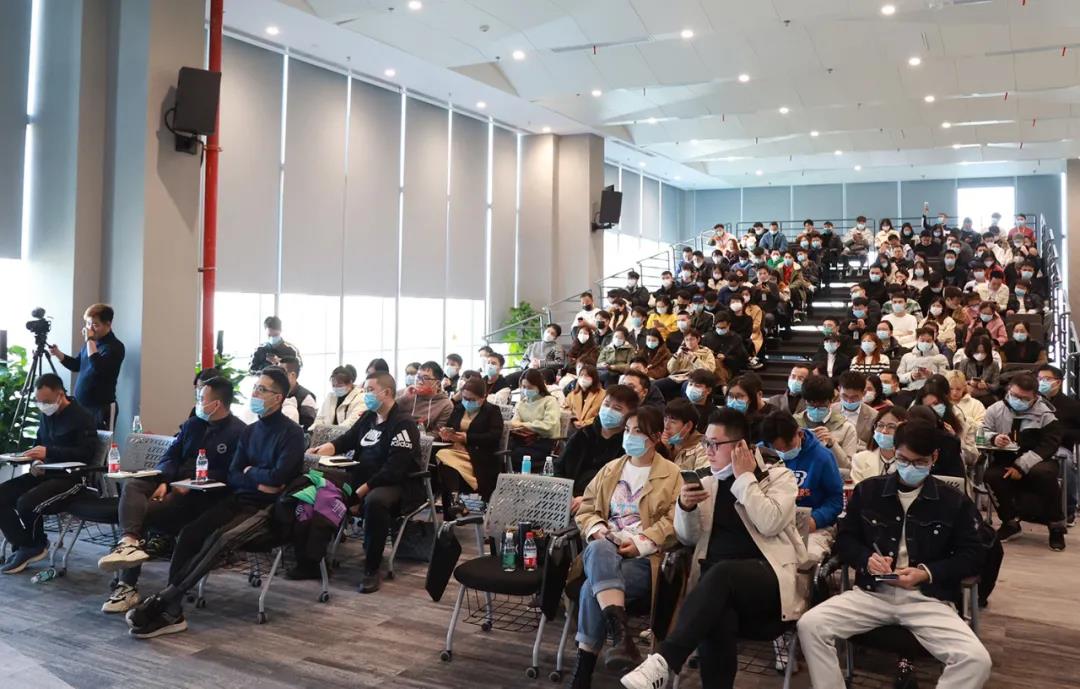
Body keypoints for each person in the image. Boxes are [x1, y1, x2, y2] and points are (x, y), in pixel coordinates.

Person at [620, 408, 809, 689]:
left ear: (741, 446)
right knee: (718, 610)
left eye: (714, 444)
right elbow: (688, 538)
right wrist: (685, 508)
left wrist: (744, 479)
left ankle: (665, 660)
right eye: (705, 443)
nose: (707, 450)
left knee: (721, 575)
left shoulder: (778, 477)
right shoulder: (706, 480)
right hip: (715, 588)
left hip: (767, 580)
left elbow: (770, 523)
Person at [797, 419, 992, 689]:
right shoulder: (869, 491)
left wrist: (925, 573)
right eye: (903, 459)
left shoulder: (953, 501)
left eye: (919, 462)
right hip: (873, 593)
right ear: (893, 453)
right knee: (810, 625)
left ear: (934, 457)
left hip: (926, 598)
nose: (910, 467)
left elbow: (972, 556)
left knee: (976, 660)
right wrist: (866, 559)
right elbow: (846, 540)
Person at [125, 368, 305, 636]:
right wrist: (256, 477)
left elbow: (279, 479)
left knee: (221, 539)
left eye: (262, 389)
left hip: (267, 509)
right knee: (190, 533)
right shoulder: (251, 431)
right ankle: (172, 609)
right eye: (255, 388)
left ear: (278, 398)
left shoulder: (292, 434)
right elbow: (234, 474)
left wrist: (249, 473)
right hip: (239, 499)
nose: (255, 393)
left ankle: (165, 602)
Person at [96, 377, 246, 612]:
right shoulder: (192, 425)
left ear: (216, 404)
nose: (198, 402)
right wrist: (166, 481)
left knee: (141, 514)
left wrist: (189, 482)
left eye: (201, 398)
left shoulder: (239, 432)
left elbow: (231, 473)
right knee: (134, 485)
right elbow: (170, 456)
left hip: (201, 496)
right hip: (173, 483)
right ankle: (129, 542)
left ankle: (131, 587)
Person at [565, 407, 680, 686]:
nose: (629, 436)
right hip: (605, 550)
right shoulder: (611, 469)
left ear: (655, 437)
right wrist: (599, 529)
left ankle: (584, 669)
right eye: (627, 430)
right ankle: (621, 637)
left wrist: (640, 543)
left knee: (592, 588)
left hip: (644, 559)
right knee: (599, 547)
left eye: (637, 431)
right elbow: (588, 508)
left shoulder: (672, 474)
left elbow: (674, 521)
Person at [312, 371, 421, 591]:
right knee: (318, 486)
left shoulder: (403, 424)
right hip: (362, 477)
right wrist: (323, 449)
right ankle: (313, 559)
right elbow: (347, 440)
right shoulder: (368, 417)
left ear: (387, 392)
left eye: (370, 390)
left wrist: (361, 491)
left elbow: (394, 469)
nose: (366, 394)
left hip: (396, 484)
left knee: (375, 501)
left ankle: (372, 569)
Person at [0, 374, 97, 574]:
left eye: (46, 401)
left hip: (70, 478)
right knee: (2, 494)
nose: (42, 406)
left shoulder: (82, 418)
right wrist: (35, 460)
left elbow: (86, 454)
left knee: (26, 503)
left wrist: (49, 452)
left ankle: (33, 545)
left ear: (60, 395)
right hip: (45, 473)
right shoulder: (46, 415)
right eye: (39, 401)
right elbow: (40, 443)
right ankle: (27, 544)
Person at [981, 374, 1066, 551]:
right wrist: (994, 438)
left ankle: (1056, 526)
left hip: (1037, 459)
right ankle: (1010, 522)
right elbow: (982, 433)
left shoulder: (1046, 414)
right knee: (992, 476)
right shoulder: (995, 409)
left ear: (1035, 397)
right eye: (1014, 395)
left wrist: (1021, 466)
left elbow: (1049, 445)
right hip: (1005, 458)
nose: (1017, 400)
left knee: (1044, 474)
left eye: (1024, 398)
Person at [760, 410, 843, 562]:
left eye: (788, 446)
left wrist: (816, 519)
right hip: (770, 522)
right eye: (778, 448)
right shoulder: (760, 454)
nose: (784, 452)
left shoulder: (822, 456)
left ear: (799, 434)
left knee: (806, 557)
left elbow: (835, 500)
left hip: (812, 524)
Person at [557, 385, 639, 507]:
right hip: (569, 498)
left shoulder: (629, 445)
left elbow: (625, 486)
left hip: (603, 504)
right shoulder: (583, 434)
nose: (609, 411)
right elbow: (559, 467)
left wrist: (589, 499)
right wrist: (565, 493)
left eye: (617, 408)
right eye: (606, 404)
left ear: (630, 414)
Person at [48, 303, 126, 430]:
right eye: (88, 324)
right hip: (81, 406)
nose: (90, 329)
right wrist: (58, 354)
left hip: (101, 407)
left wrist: (89, 340)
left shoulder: (115, 347)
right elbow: (77, 365)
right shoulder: (90, 344)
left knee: (101, 442)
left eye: (95, 325)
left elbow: (97, 367)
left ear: (108, 324)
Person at [434, 377, 504, 517]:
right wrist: (446, 434)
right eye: (465, 398)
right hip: (455, 452)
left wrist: (467, 438)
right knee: (445, 464)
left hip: (479, 457)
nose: (467, 402)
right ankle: (455, 501)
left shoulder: (492, 411)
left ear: (483, 397)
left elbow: (494, 436)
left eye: (472, 399)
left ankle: (454, 504)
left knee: (442, 457)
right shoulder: (459, 409)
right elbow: (450, 427)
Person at [1036, 365, 1080, 525]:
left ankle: (1068, 509)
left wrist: (1062, 433)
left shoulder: (1072, 405)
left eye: (1047, 379)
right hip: (1034, 445)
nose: (1042, 382)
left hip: (1059, 447)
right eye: (1039, 379)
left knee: (1066, 462)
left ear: (1058, 382)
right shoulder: (1033, 401)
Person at [795, 375, 858, 478]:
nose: (816, 408)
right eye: (811, 403)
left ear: (831, 401)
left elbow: (849, 467)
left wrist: (832, 444)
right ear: (805, 401)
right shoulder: (794, 423)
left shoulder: (846, 427)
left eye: (822, 404)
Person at [506, 369, 562, 472]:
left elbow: (549, 427)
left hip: (543, 442)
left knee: (514, 454)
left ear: (539, 386)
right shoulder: (521, 403)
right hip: (523, 440)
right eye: (523, 387)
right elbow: (514, 424)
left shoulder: (550, 401)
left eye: (530, 387)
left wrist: (524, 425)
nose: (526, 390)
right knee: (503, 450)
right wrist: (524, 426)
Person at [850, 407, 907, 483]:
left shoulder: (909, 462)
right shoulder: (860, 459)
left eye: (891, 427)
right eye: (880, 425)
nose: (884, 431)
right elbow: (859, 488)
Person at [394, 361, 453, 433]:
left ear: (437, 383)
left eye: (425, 378)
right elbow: (388, 414)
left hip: (424, 439)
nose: (420, 381)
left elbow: (438, 432)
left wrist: (418, 437)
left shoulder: (446, 404)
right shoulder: (404, 392)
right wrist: (404, 398)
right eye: (418, 377)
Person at [701, 309, 748, 384]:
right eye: (718, 327)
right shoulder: (707, 337)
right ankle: (722, 385)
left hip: (728, 368)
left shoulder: (736, 338)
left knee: (717, 363)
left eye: (723, 328)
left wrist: (726, 358)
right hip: (708, 367)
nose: (720, 330)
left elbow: (742, 359)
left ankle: (722, 384)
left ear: (729, 325)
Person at [896, 327, 949, 392]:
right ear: (917, 339)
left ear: (933, 340)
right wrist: (911, 376)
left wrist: (932, 375)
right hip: (911, 390)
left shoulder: (941, 358)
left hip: (933, 391)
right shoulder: (907, 357)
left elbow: (946, 378)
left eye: (928, 341)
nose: (925, 343)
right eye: (922, 340)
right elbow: (899, 377)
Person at [313, 365, 364, 429]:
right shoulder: (330, 397)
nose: (336, 388)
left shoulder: (361, 398)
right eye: (333, 385)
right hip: (326, 433)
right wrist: (315, 428)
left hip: (346, 433)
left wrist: (332, 432)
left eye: (339, 385)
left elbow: (351, 422)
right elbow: (320, 418)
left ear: (350, 383)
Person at [662, 399, 708, 471]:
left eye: (673, 422)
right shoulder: (662, 444)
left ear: (688, 426)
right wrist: (663, 450)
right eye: (665, 420)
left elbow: (702, 478)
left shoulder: (703, 448)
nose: (666, 427)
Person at [834, 371, 876, 450]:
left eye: (854, 397)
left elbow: (873, 446)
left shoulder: (874, 416)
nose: (849, 401)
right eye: (845, 396)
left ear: (864, 393)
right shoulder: (830, 410)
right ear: (839, 389)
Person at [277, 356, 317, 430]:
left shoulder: (306, 397)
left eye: (281, 373)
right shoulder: (276, 392)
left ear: (292, 375)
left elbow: (307, 427)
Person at [958, 335, 1000, 405]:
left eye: (983, 352)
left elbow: (996, 385)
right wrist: (969, 382)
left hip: (986, 395)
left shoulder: (994, 364)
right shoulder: (964, 362)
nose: (980, 355)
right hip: (968, 393)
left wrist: (986, 385)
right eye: (977, 352)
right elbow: (959, 381)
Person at [565, 364, 606, 431]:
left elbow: (602, 415)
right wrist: (573, 420)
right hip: (574, 429)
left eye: (587, 376)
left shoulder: (603, 394)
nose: (583, 378)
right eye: (581, 375)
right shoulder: (572, 394)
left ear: (594, 378)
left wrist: (585, 423)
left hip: (593, 429)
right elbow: (565, 409)